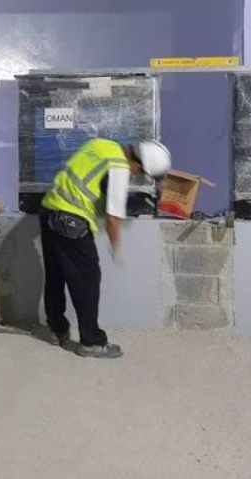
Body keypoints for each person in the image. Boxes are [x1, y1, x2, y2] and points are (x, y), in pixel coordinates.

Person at [39, 138, 171, 358]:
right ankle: (92, 342)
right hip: (72, 221)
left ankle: (56, 330)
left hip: (50, 209)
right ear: (138, 164)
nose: (137, 176)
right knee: (88, 279)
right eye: (141, 173)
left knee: (56, 275)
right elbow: (112, 218)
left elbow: (89, 182)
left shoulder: (102, 145)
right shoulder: (119, 169)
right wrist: (116, 246)